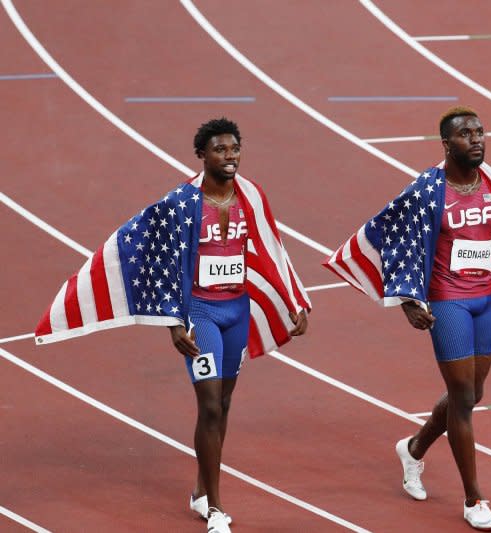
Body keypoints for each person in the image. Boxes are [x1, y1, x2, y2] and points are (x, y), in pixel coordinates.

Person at [35, 118, 310, 533]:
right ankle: (215, 508)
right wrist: (173, 321)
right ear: (202, 155)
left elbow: (272, 247)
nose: (230, 157)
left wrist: (292, 298)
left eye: (235, 149)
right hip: (201, 313)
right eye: (220, 150)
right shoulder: (182, 202)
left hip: (236, 309)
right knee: (211, 404)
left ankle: (201, 489)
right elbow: (155, 256)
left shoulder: (251, 195)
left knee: (226, 403)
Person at [324, 106, 491, 531]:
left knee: (474, 393)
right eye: (466, 134)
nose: (477, 139)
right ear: (447, 145)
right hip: (448, 301)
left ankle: (413, 448)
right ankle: (474, 499)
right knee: (463, 398)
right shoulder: (427, 191)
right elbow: (394, 240)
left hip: (484, 298)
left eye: (480, 132)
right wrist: (409, 301)